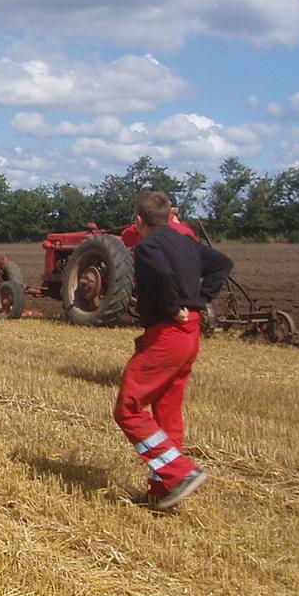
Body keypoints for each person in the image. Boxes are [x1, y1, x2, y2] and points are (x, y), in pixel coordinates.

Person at [114, 191, 233, 511]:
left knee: (127, 408)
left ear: (138, 220)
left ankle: (179, 472)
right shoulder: (186, 241)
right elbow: (223, 263)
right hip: (190, 334)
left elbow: (163, 276)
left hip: (167, 334)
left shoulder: (147, 246)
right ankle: (162, 490)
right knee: (166, 411)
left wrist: (173, 305)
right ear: (170, 215)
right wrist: (200, 298)